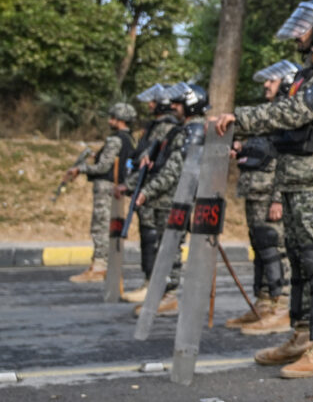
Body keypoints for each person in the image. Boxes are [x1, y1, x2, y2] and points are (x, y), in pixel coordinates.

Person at [216, 2, 313, 379]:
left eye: (305, 27)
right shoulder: (307, 72)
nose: (299, 34)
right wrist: (247, 146)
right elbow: (284, 131)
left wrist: (242, 119)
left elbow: (297, 112)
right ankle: (303, 334)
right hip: (295, 178)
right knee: (299, 259)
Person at [226, 59, 298, 332]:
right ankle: (264, 304)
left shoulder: (286, 115)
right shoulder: (269, 114)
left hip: (270, 194)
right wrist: (241, 149)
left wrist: (279, 198)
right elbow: (263, 149)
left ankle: (281, 308)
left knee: (274, 249)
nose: (266, 84)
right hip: (254, 192)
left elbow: (287, 157)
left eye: (272, 80)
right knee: (259, 248)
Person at [133, 82, 210, 317]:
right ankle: (162, 293)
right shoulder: (181, 130)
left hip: (177, 198)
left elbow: (174, 169)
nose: (173, 107)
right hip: (169, 197)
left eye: (178, 103)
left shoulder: (194, 131)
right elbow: (160, 162)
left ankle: (168, 296)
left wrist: (147, 191)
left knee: (170, 249)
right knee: (162, 247)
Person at [65, 102, 137, 284]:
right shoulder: (130, 140)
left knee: (100, 227)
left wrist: (80, 169)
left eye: (113, 117)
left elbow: (103, 166)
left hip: (106, 186)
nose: (110, 120)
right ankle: (102, 264)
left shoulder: (115, 140)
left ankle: (99, 267)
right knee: (109, 226)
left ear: (120, 120)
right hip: (117, 187)